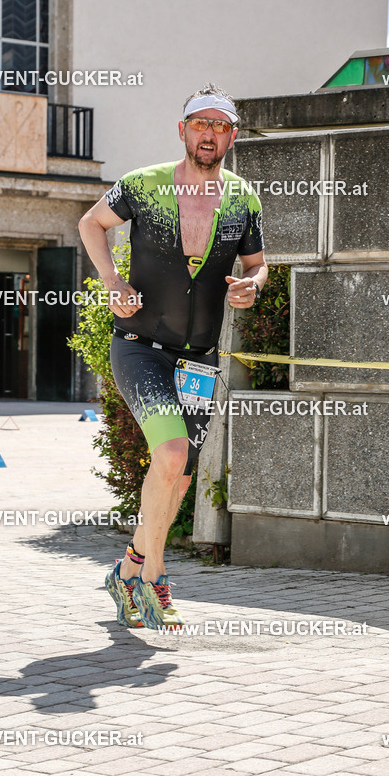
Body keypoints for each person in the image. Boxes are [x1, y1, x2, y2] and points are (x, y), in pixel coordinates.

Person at [78, 83, 267, 629]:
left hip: (200, 360)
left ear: (231, 136)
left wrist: (250, 284)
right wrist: (112, 279)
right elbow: (91, 224)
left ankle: (131, 569)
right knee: (170, 456)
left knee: (179, 475)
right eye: (199, 123)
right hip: (141, 347)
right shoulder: (143, 186)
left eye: (220, 126)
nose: (209, 134)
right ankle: (151, 574)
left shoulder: (242, 198)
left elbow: (258, 263)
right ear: (182, 130)